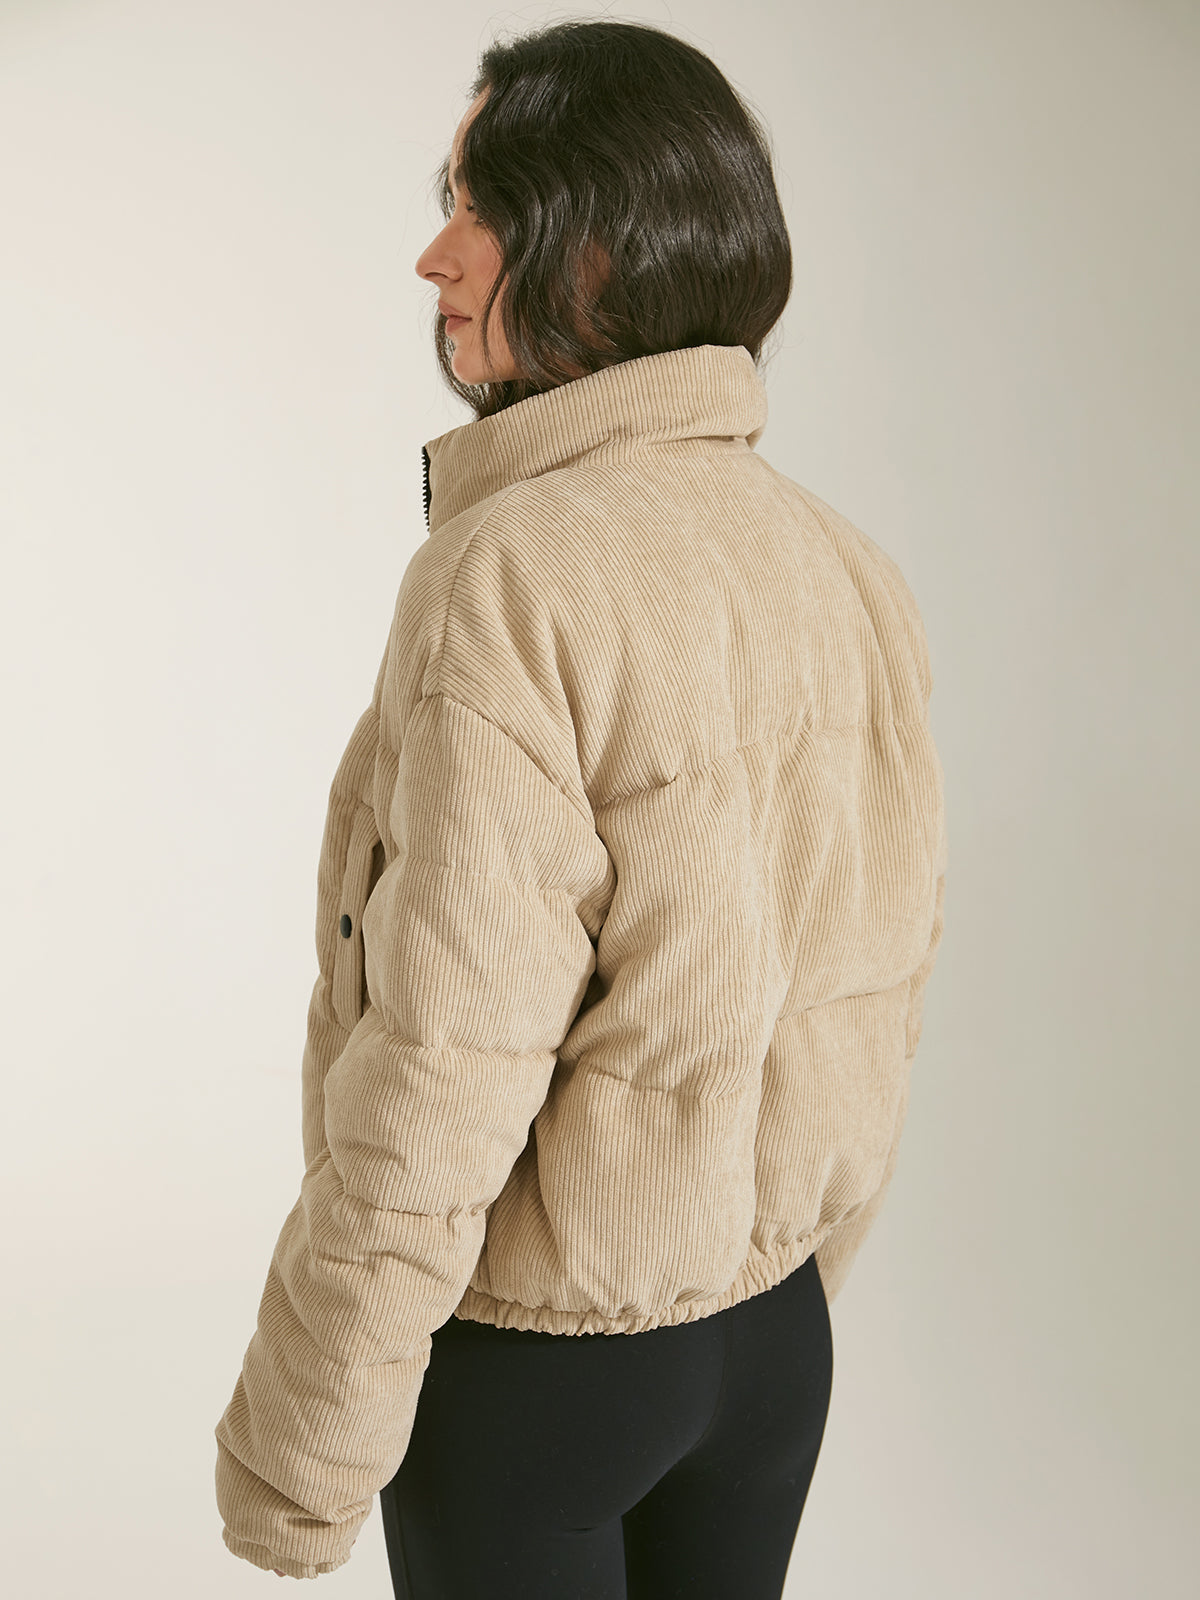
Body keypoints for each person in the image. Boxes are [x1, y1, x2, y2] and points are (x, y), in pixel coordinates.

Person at [214, 17, 947, 1598]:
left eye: (481, 204)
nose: (434, 254)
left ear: (599, 243)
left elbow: (446, 1059)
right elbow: (878, 993)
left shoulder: (507, 575)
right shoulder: (845, 563)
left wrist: (299, 1454)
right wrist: (775, 1275)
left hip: (542, 1377)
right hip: (770, 1352)